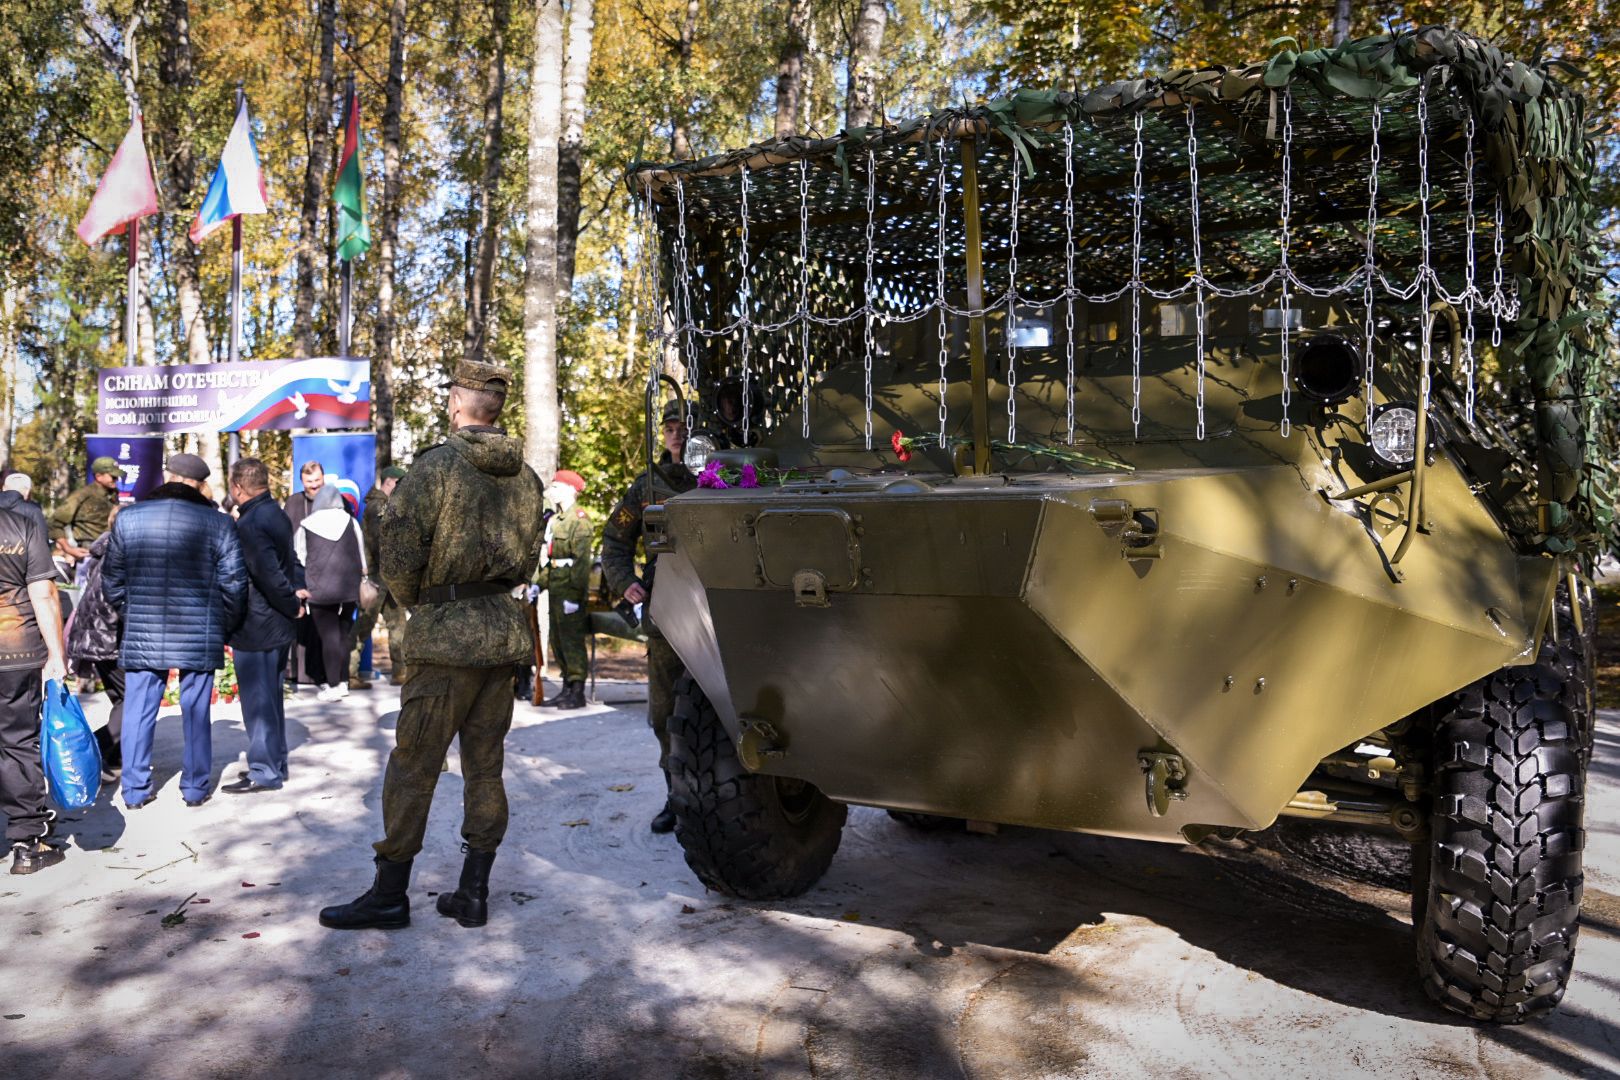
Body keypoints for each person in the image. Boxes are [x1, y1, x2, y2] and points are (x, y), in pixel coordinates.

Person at [320, 360, 544, 932]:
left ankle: (389, 894)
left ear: (457, 403)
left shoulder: (437, 467)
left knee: (414, 766)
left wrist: (423, 598)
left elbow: (397, 552)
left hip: (446, 637)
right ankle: (473, 893)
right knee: (485, 768)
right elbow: (526, 555)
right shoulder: (529, 478)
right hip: (501, 631)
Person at [102, 453, 247, 810]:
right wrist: (222, 624)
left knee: (138, 709)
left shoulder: (129, 517)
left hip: (144, 628)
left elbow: (111, 581)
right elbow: (235, 585)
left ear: (168, 477)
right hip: (199, 629)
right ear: (198, 484)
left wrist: (131, 613)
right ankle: (195, 788)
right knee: (196, 710)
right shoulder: (219, 523)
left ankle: (135, 790)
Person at [600, 398, 696, 834]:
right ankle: (677, 798)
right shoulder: (647, 485)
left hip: (718, 605)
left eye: (684, 426)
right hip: (666, 612)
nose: (676, 433)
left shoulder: (724, 476)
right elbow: (614, 539)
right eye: (670, 427)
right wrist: (625, 582)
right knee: (664, 713)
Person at [222, 458, 303, 795]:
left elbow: (268, 575)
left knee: (258, 703)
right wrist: (295, 598)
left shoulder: (251, 523)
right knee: (269, 700)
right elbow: (290, 562)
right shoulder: (276, 512)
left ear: (237, 487)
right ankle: (274, 761)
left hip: (259, 624)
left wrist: (292, 603)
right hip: (274, 624)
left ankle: (265, 769)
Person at [0, 480, 68, 874]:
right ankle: (28, 843)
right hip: (16, 650)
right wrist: (55, 654)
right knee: (17, 741)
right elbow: (43, 594)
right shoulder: (23, 525)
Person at [65, 504, 125, 783]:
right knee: (133, 701)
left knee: (121, 699)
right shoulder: (120, 553)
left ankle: (115, 759)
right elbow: (116, 600)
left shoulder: (102, 551)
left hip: (95, 637)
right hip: (108, 637)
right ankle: (89, 751)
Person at [294, 486, 365, 703]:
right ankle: (343, 682)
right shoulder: (350, 521)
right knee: (343, 634)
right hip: (349, 588)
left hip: (319, 589)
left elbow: (300, 557)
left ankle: (333, 685)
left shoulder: (307, 525)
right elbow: (361, 554)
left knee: (328, 637)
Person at [537, 469, 593, 710]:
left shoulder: (578, 519)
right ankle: (567, 688)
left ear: (571, 489)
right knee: (558, 640)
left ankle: (577, 691)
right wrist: (538, 585)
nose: (553, 491)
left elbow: (581, 563)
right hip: (556, 589)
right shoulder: (556, 520)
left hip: (570, 591)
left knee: (572, 640)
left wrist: (574, 595)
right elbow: (551, 560)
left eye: (558, 487)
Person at [350, 465, 409, 687]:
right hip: (377, 576)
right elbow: (380, 543)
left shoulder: (385, 505)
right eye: (399, 483)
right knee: (365, 624)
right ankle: (349, 672)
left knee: (398, 625)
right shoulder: (377, 507)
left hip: (388, 576)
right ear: (389, 482)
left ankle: (400, 671)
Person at [284, 461, 326, 687]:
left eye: (317, 482)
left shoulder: (332, 501)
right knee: (298, 623)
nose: (314, 486)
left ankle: (319, 673)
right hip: (298, 571)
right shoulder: (293, 503)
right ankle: (295, 673)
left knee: (321, 625)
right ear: (302, 482)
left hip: (326, 574)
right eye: (309, 483)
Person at [48, 456, 121, 575]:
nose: (116, 479)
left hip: (112, 553)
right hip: (89, 554)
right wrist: (68, 549)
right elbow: (54, 523)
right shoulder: (82, 495)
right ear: (98, 476)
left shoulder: (113, 495)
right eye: (113, 476)